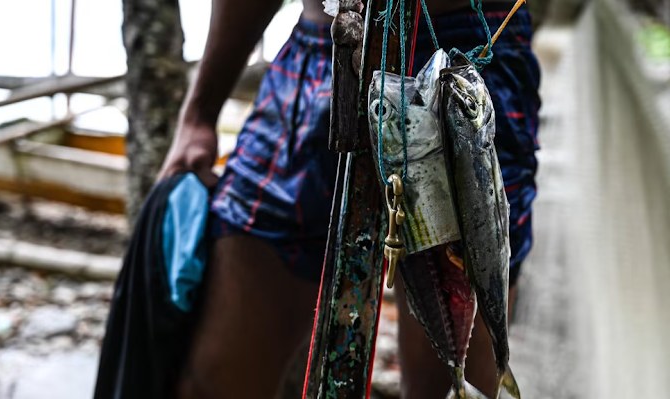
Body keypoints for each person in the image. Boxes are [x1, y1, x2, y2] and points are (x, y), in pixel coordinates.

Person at [159, 0, 540, 397]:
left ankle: (472, 371)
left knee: (455, 380)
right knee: (212, 379)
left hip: (466, 56)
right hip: (325, 48)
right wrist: (200, 112)